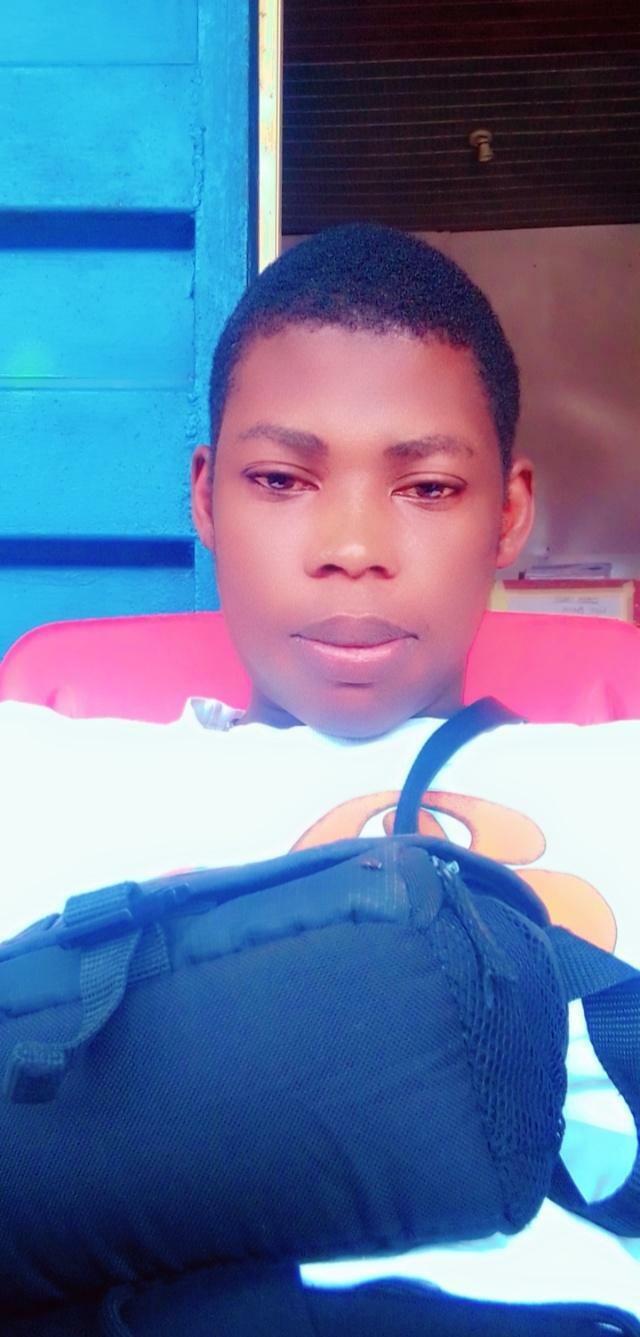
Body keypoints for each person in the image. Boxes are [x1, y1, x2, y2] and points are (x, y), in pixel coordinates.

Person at [1, 223, 638, 1322]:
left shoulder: (617, 774)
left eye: (427, 487)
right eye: (281, 478)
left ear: (509, 511)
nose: (351, 546)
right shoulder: (44, 766)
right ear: (206, 496)